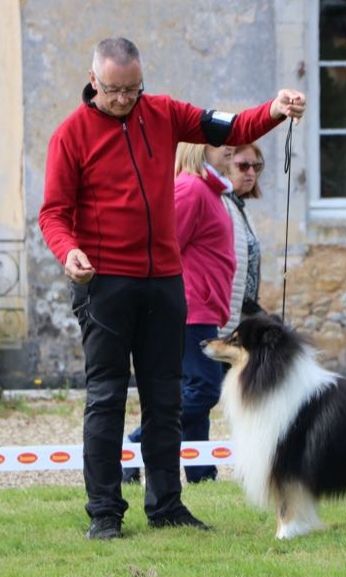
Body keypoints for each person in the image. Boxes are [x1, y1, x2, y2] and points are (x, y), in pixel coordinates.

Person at [38, 37, 305, 540]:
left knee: (166, 398)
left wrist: (273, 109)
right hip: (104, 285)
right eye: (114, 90)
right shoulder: (70, 135)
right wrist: (68, 251)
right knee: (106, 397)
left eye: (133, 89)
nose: (124, 99)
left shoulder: (162, 113)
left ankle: (166, 505)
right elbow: (53, 213)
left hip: (164, 283)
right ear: (94, 81)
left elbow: (232, 128)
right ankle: (104, 513)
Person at [124, 143, 235, 485]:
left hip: (203, 309)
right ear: (199, 150)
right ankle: (132, 446)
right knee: (203, 388)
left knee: (197, 388)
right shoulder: (190, 189)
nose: (230, 148)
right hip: (189, 309)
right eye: (221, 143)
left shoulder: (209, 191)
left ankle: (200, 472)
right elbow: (165, 247)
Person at [220, 143, 266, 337]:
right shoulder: (220, 203)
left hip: (243, 312)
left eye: (255, 167)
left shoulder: (240, 206)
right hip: (224, 315)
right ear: (226, 165)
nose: (251, 173)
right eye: (243, 166)